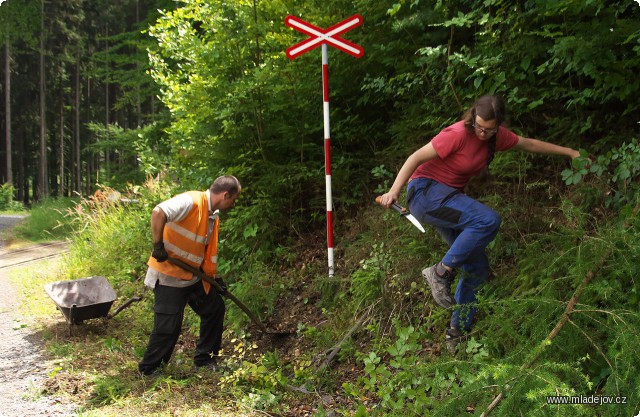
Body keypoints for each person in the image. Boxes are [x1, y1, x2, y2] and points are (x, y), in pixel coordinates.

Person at [378, 95, 580, 352]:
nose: (482, 133)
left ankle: (456, 333)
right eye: (479, 127)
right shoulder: (456, 133)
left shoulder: (498, 137)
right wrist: (394, 191)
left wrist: (570, 152)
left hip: (448, 201)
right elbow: (415, 157)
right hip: (426, 194)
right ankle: (440, 272)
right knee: (488, 220)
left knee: (477, 266)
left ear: (498, 125)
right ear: (472, 118)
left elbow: (529, 144)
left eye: (489, 129)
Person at [138, 175, 241, 376]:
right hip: (169, 275)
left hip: (192, 277)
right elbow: (158, 212)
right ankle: (149, 369)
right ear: (225, 194)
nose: (234, 203)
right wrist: (158, 245)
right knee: (168, 326)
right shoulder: (191, 201)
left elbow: (198, 248)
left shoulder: (212, 215)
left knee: (214, 308)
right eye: (233, 199)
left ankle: (205, 361)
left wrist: (212, 277)